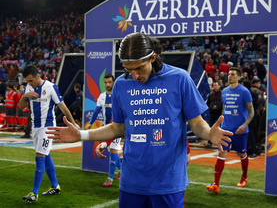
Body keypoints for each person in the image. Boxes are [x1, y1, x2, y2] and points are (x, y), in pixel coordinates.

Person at [47, 33, 232, 208]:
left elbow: (196, 122)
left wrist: (208, 133)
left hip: (168, 182)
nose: (135, 75)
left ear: (153, 57)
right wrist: (81, 134)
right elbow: (118, 127)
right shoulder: (121, 83)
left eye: (139, 68)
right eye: (129, 69)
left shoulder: (179, 78)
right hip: (132, 181)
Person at [19, 65, 79, 203]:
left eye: (31, 81)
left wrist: (73, 123)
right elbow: (21, 106)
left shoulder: (51, 87)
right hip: (36, 128)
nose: (29, 84)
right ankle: (55, 186)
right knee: (46, 156)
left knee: (40, 156)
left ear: (38, 76)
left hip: (48, 128)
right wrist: (26, 96)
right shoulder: (29, 88)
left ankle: (34, 193)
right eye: (27, 81)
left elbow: (63, 106)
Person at [206, 67, 254, 194]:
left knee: (242, 154)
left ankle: (244, 177)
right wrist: (220, 125)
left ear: (238, 77)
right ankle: (216, 184)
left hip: (240, 130)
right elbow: (224, 110)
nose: (229, 76)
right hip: (226, 129)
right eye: (229, 74)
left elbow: (251, 112)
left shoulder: (245, 92)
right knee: (221, 154)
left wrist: (244, 126)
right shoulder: (224, 91)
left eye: (232, 74)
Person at [86, 73, 122, 187]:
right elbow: (96, 111)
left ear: (113, 82)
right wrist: (90, 123)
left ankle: (110, 179)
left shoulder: (118, 95)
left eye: (109, 82)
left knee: (112, 151)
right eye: (105, 82)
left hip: (116, 127)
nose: (107, 84)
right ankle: (122, 170)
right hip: (106, 128)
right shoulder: (102, 96)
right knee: (113, 150)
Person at [205, 81, 223, 148]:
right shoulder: (211, 94)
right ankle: (210, 142)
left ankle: (220, 142)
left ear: (219, 86)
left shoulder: (222, 93)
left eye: (216, 85)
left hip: (219, 113)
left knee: (220, 128)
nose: (215, 86)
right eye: (214, 85)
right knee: (211, 127)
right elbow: (208, 102)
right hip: (212, 112)